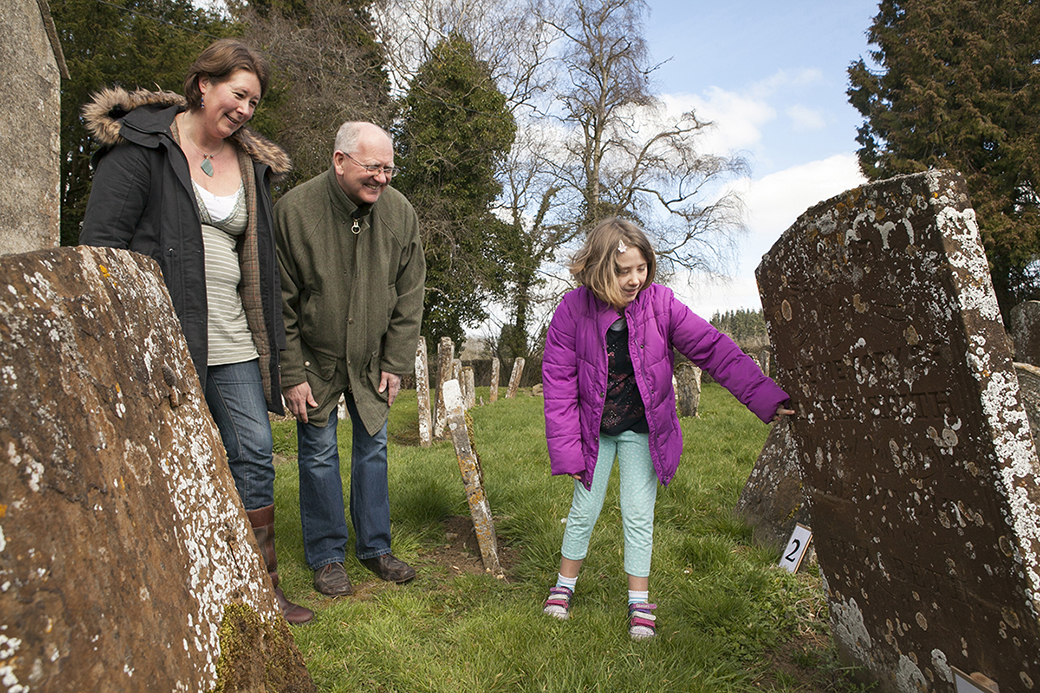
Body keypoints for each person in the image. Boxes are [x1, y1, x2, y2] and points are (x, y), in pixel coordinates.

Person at [79, 39, 313, 624]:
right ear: (203, 84)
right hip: (160, 333)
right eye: (239, 95)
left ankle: (262, 587)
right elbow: (101, 246)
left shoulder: (252, 165)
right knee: (165, 460)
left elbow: (259, 265)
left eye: (255, 103)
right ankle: (171, 589)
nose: (246, 110)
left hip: (231, 334)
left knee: (255, 452)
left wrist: (276, 352)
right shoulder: (143, 145)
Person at [540, 218, 794, 640]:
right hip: (594, 431)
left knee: (639, 515)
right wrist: (567, 450)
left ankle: (639, 601)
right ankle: (564, 587)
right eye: (624, 271)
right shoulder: (572, 310)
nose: (635, 279)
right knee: (584, 509)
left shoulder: (661, 303)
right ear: (600, 268)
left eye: (642, 268)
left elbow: (713, 348)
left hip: (643, 429)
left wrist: (765, 395)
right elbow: (559, 381)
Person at [274, 121, 426, 597]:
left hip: (372, 357)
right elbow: (280, 302)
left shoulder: (400, 213)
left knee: (373, 448)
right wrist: (292, 373)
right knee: (317, 452)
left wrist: (395, 360)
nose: (382, 178)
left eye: (389, 168)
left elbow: (409, 294)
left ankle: (375, 548)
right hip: (316, 359)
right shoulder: (294, 212)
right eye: (373, 167)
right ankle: (325, 556)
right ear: (339, 161)